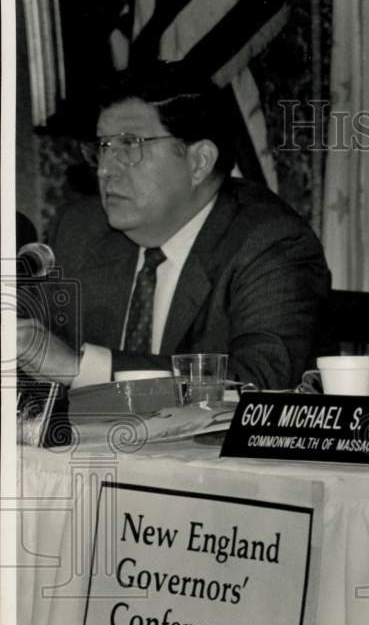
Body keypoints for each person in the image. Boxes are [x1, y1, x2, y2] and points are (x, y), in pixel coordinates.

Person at [16, 61, 331, 391]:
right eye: (102, 148)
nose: (105, 169)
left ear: (199, 162)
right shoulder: (81, 229)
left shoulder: (270, 242)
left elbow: (262, 382)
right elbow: (31, 357)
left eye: (129, 146)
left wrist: (80, 368)